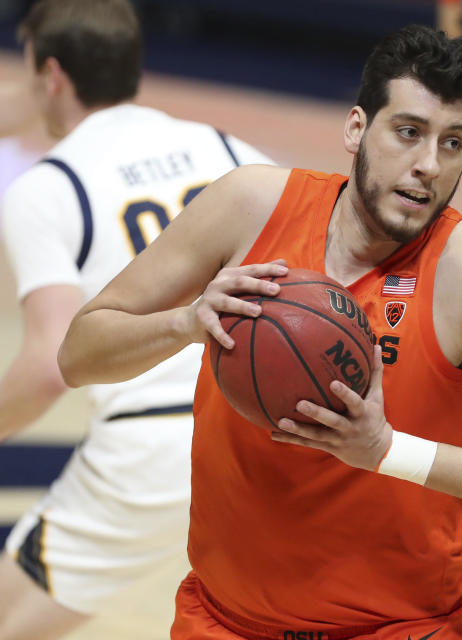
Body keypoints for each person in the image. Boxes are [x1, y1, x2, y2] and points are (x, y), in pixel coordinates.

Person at [57, 25, 462, 640]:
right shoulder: (249, 207)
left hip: (400, 629)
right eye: (409, 132)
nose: (429, 164)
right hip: (221, 621)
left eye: (452, 142)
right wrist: (184, 322)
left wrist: (386, 450)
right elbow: (79, 353)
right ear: (357, 128)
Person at [0, 1, 273, 637]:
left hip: (149, 446)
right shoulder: (226, 146)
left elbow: (48, 366)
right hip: (258, 431)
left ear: (52, 76)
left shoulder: (48, 187)